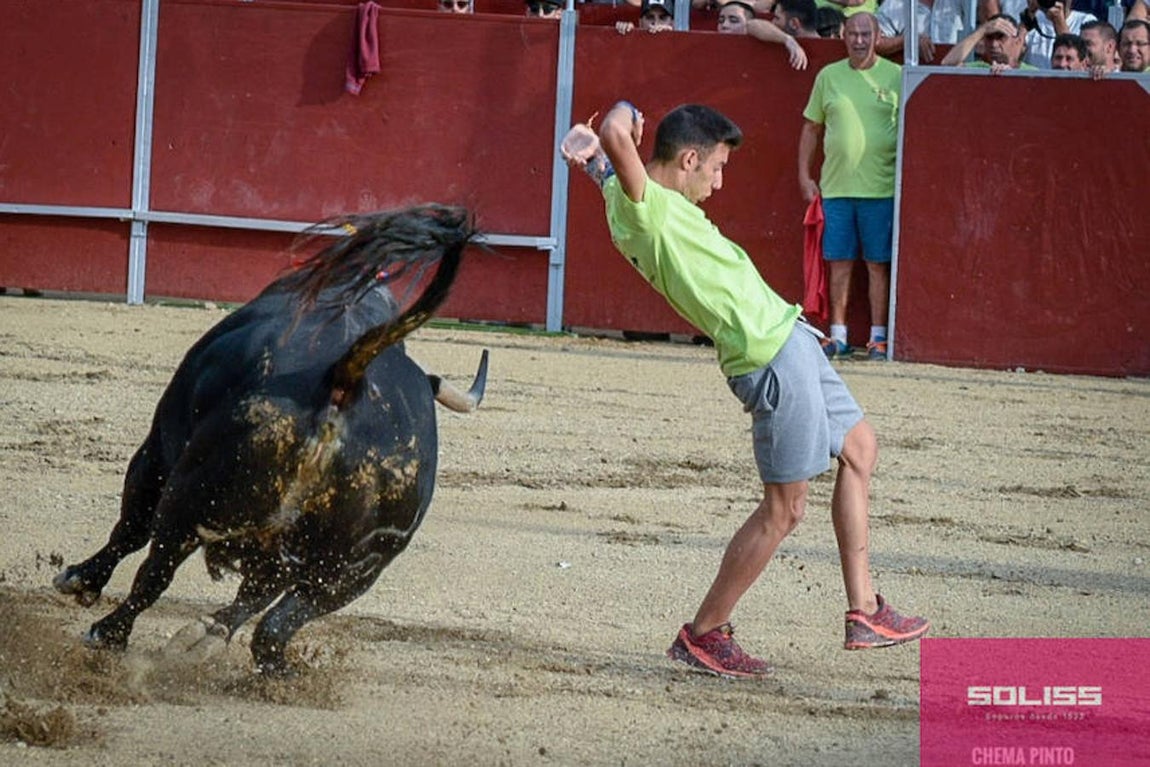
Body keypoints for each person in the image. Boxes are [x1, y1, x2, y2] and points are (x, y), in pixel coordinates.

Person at [560, 100, 929, 678]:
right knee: (784, 510)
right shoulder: (647, 210)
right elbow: (613, 130)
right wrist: (624, 121)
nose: (720, 181)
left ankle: (866, 611)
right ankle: (704, 633)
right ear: (688, 159)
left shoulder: (631, 198)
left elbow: (608, 165)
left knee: (860, 446)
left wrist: (593, 160)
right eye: (717, 167)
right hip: (767, 356)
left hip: (789, 338)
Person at [798, 13, 899, 361]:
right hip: (836, 187)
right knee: (839, 262)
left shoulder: (897, 76)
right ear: (843, 36)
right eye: (853, 34)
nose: (859, 40)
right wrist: (803, 175)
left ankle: (879, 337)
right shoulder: (829, 76)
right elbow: (811, 128)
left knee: (877, 264)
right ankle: (838, 335)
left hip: (881, 188)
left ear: (878, 36)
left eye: (865, 34)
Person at [720, 0, 812, 68]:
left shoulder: (753, 28)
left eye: (734, 20)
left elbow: (751, 25)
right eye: (721, 20)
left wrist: (788, 41)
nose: (724, 25)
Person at [876, 0, 971, 63]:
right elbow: (876, 42)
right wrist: (908, 40)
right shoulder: (895, 3)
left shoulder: (961, 2)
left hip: (957, 79)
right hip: (913, 83)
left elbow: (984, 21)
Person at [940, 13, 1036, 71]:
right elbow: (947, 65)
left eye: (1001, 37)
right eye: (989, 37)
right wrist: (982, 30)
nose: (994, 44)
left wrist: (1011, 75)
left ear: (1018, 42)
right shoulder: (978, 69)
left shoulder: (1033, 73)